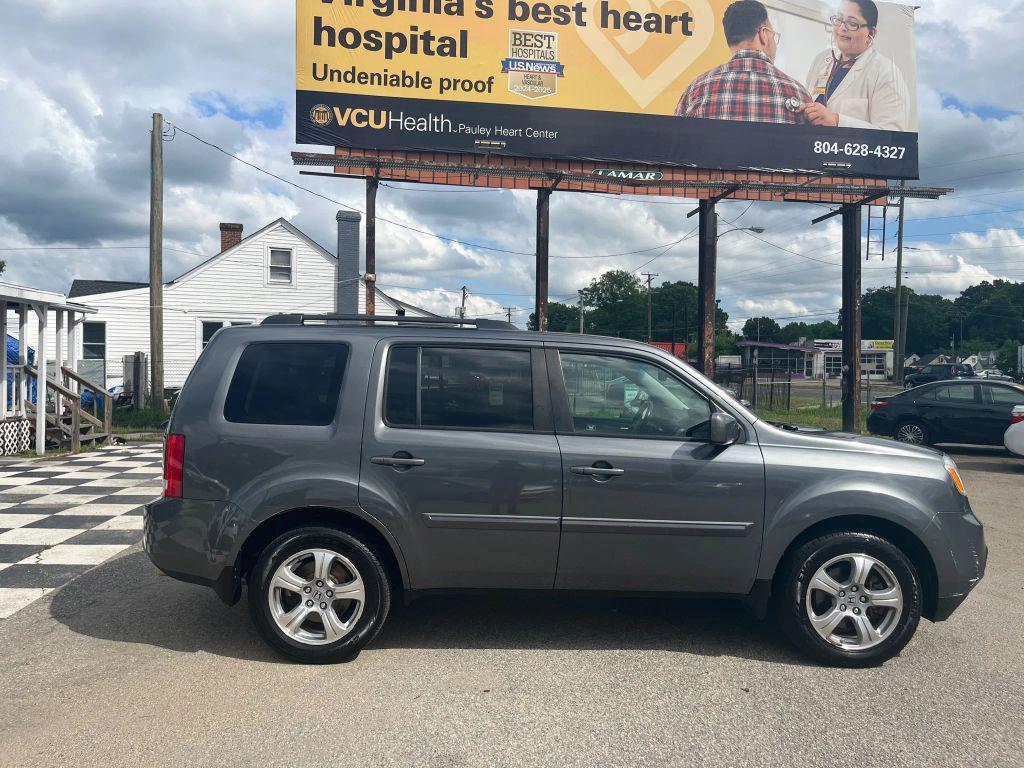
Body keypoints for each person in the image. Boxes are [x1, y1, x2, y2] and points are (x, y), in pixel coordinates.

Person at [675, 0, 811, 124]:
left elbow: (676, 143)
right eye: (773, 35)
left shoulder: (697, 90)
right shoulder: (797, 93)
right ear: (763, 35)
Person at [799, 0, 911, 131]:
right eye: (839, 19)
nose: (842, 27)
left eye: (852, 23)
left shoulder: (885, 73)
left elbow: (892, 136)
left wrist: (837, 121)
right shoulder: (821, 59)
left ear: (871, 34)